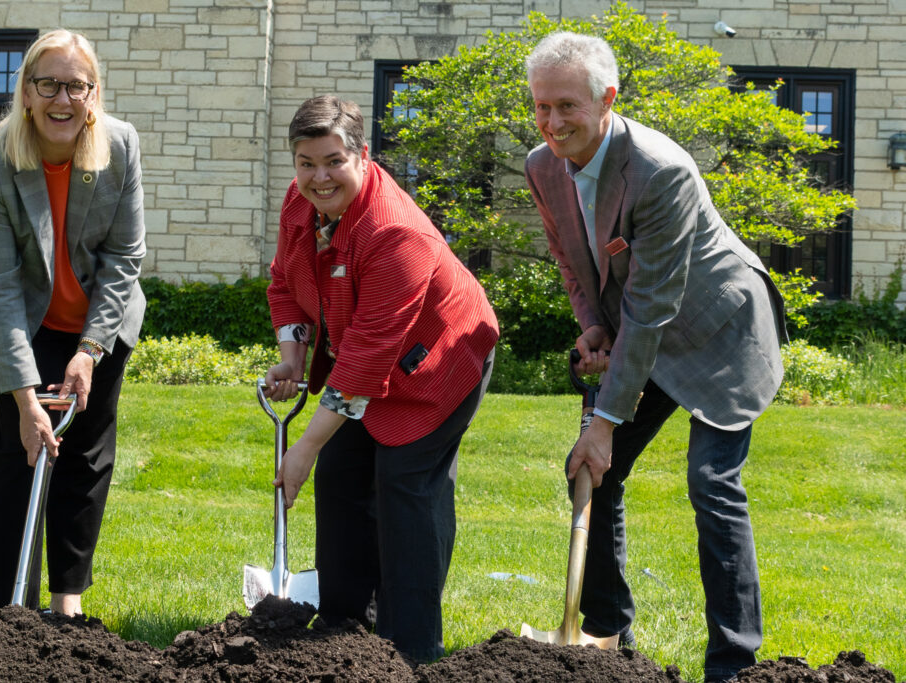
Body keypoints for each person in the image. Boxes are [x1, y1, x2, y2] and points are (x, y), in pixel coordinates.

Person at [523, 32, 787, 682]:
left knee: (711, 482)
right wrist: (591, 324)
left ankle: (734, 664)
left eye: (567, 107)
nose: (552, 123)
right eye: (540, 107)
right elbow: (571, 256)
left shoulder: (659, 169)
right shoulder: (541, 164)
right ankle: (615, 649)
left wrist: (606, 422)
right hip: (643, 324)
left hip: (718, 327)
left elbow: (652, 308)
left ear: (607, 99)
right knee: (589, 470)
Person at [264, 95, 499, 662]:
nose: (319, 177)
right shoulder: (302, 205)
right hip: (362, 355)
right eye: (305, 163)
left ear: (362, 156)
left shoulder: (396, 234)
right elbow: (283, 284)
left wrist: (303, 449)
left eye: (333, 161)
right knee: (342, 482)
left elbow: (367, 363)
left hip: (438, 360)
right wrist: (293, 357)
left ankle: (412, 650)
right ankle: (344, 636)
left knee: (404, 490)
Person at [0, 29, 146, 616]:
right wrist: (24, 398)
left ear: (93, 94)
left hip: (99, 321)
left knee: (86, 460)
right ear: (26, 92)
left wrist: (90, 351)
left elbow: (125, 258)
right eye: (49, 84)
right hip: (24, 325)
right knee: (21, 455)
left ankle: (67, 605)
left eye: (76, 85)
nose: (62, 100)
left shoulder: (120, 146)